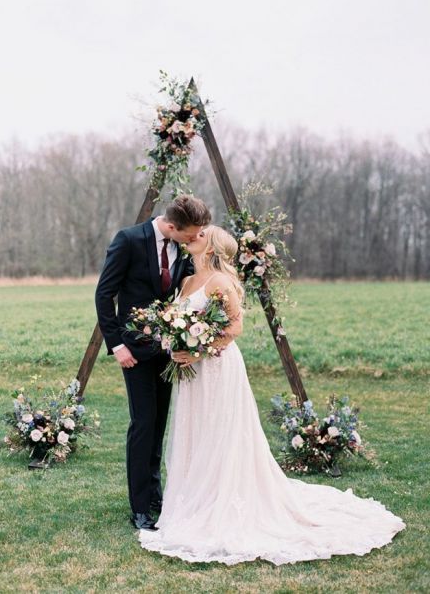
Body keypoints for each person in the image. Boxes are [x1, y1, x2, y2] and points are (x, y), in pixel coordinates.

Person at [138, 225, 406, 565]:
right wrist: (174, 341)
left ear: (213, 247)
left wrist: (198, 350)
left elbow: (235, 327)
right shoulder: (187, 282)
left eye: (201, 234)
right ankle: (193, 499)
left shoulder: (220, 282)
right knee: (195, 432)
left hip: (217, 368)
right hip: (193, 375)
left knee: (220, 433)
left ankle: (221, 501)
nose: (193, 236)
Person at [95, 195, 212, 531]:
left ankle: (156, 493)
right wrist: (116, 344)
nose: (194, 240)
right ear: (172, 226)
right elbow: (105, 294)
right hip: (133, 352)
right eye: (190, 234)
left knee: (159, 423)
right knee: (143, 424)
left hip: (167, 351)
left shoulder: (182, 250)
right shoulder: (129, 240)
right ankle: (140, 507)